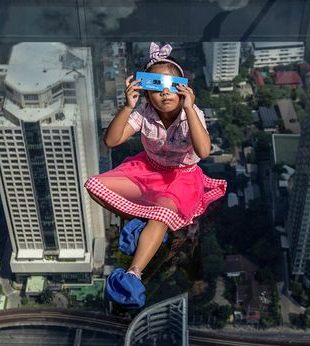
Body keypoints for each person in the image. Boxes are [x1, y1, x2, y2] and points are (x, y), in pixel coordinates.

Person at [85, 42, 227, 308]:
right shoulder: (144, 112)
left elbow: (204, 151)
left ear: (183, 89)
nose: (164, 92)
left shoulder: (191, 114)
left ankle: (133, 273)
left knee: (161, 213)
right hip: (147, 172)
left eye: (172, 85)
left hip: (180, 180)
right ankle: (142, 223)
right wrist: (128, 106)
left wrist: (189, 109)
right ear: (147, 93)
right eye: (156, 87)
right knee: (95, 185)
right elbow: (112, 141)